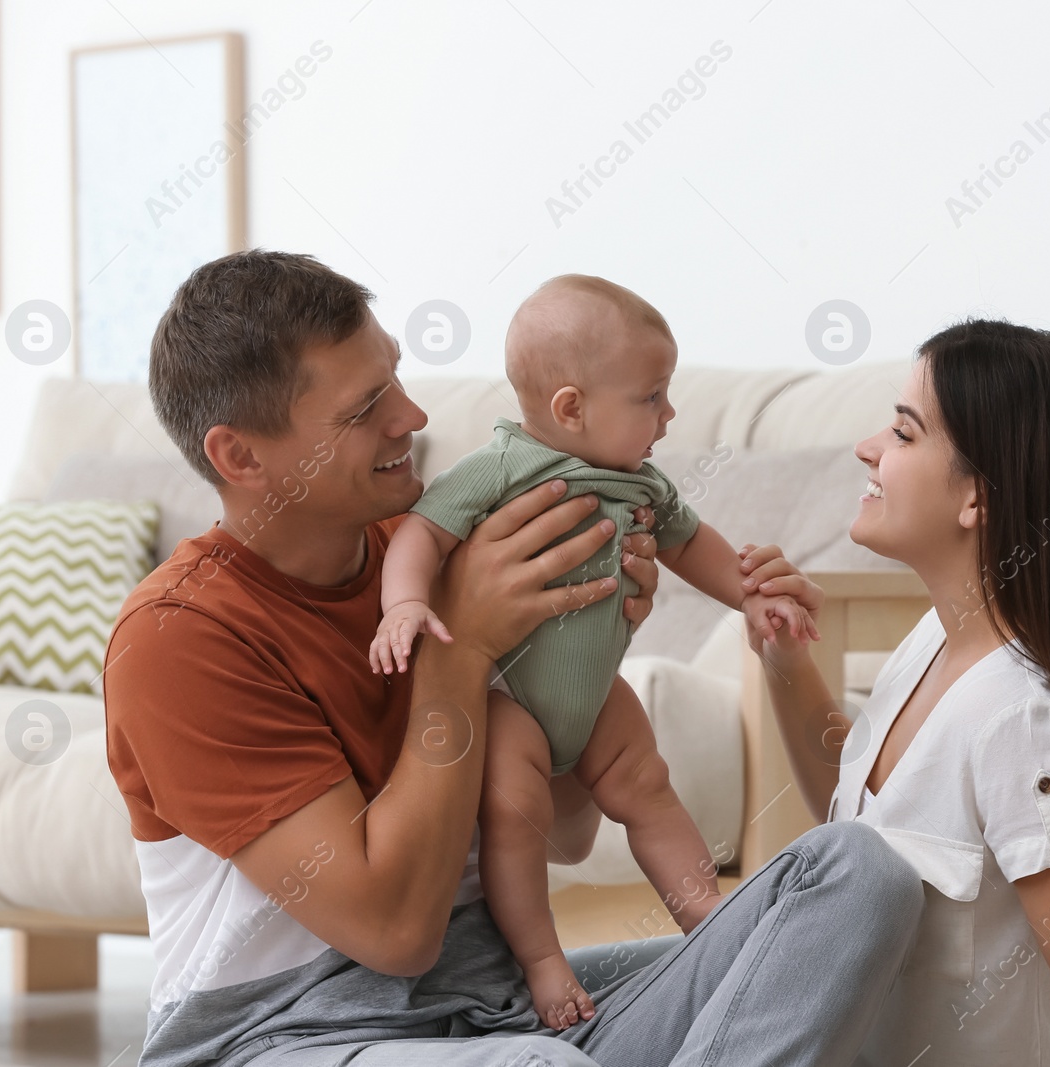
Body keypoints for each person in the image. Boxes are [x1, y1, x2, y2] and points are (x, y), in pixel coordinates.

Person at [103, 249, 923, 1067]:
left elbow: (561, 832)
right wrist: (464, 653)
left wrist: (582, 653)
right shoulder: (182, 638)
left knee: (854, 877)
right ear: (240, 457)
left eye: (394, 377)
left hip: (501, 1010)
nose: (413, 417)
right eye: (364, 410)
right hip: (287, 1035)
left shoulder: (437, 552)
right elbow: (396, 931)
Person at [368, 274, 817, 1030]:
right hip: (510, 700)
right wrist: (405, 602)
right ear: (569, 407)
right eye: (652, 397)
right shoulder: (502, 466)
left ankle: (705, 911)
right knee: (516, 816)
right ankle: (545, 961)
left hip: (594, 694)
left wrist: (750, 594)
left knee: (647, 782)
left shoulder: (642, 480)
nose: (670, 416)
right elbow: (423, 532)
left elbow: (692, 545)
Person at [748, 320, 1050, 1065]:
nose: (868, 448)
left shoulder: (1025, 724)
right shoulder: (934, 641)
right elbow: (868, 817)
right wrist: (785, 666)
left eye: (902, 432)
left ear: (978, 498)